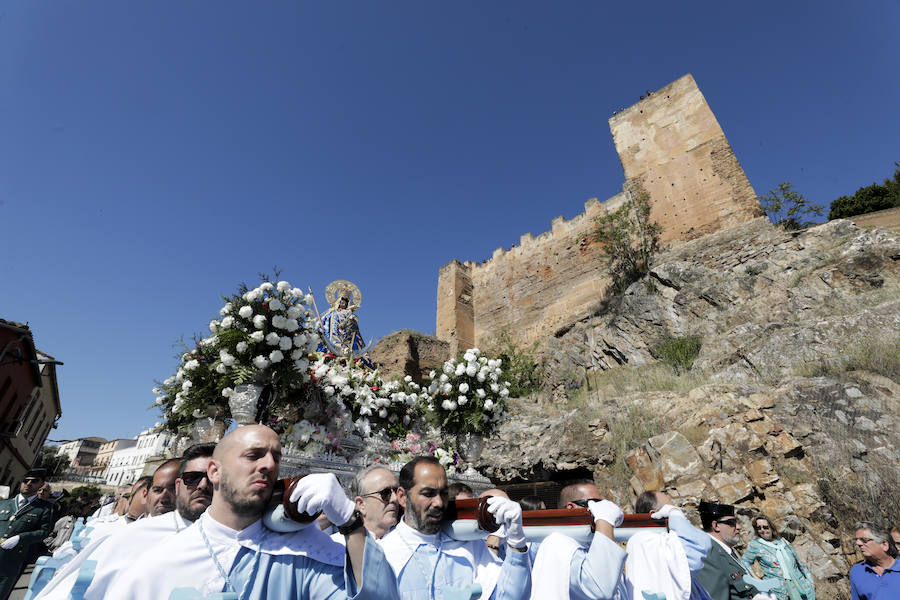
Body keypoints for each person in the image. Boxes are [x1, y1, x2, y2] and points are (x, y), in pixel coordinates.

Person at [106, 425, 399, 599]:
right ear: (214, 471)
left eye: (275, 457)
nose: (269, 465)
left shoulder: (302, 555)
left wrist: (349, 521)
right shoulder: (159, 560)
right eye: (253, 455)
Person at [34, 443, 216, 600]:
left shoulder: (236, 539)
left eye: (212, 478)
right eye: (192, 478)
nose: (203, 485)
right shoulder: (130, 537)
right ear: (179, 485)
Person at [380, 455, 531, 600]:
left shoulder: (468, 545)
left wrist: (516, 541)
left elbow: (509, 596)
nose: (439, 502)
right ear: (402, 497)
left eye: (444, 493)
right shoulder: (384, 554)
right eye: (428, 493)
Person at [529, 480, 627, 600]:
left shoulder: (591, 544)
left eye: (602, 505)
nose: (600, 509)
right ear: (571, 508)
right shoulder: (558, 544)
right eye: (594, 504)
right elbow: (600, 588)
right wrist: (605, 520)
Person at [626, 490, 712, 600]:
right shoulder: (646, 540)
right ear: (654, 514)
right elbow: (698, 550)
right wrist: (675, 514)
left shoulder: (661, 541)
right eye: (669, 509)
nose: (674, 514)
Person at [0, 468, 56, 599]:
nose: (28, 484)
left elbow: (43, 532)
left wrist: (21, 538)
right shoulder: (4, 503)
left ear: (41, 485)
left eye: (34, 481)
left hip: (11, 561)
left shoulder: (44, 508)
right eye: (26, 480)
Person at [695, 501, 761, 600]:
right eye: (732, 523)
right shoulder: (708, 555)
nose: (739, 527)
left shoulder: (726, 551)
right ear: (716, 526)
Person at [742, 514, 814, 600]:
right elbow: (745, 561)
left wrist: (811, 582)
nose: (762, 530)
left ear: (771, 527)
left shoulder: (783, 542)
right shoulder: (755, 545)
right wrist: (757, 579)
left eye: (765, 527)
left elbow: (800, 564)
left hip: (803, 588)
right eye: (759, 528)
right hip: (778, 592)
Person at [317, 284, 374, 367]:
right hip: (333, 337)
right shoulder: (331, 313)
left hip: (347, 337)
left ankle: (349, 353)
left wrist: (351, 317)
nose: (343, 303)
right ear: (338, 302)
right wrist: (319, 326)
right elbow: (322, 322)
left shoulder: (350, 314)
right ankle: (332, 351)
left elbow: (354, 329)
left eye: (345, 302)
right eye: (342, 301)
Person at [849, 521, 899, 600]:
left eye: (864, 540)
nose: (858, 543)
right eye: (857, 539)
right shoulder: (857, 571)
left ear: (884, 545)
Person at [351, 465, 400, 539]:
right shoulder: (338, 546)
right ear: (361, 504)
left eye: (396, 491)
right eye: (385, 493)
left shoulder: (409, 545)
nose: (395, 498)